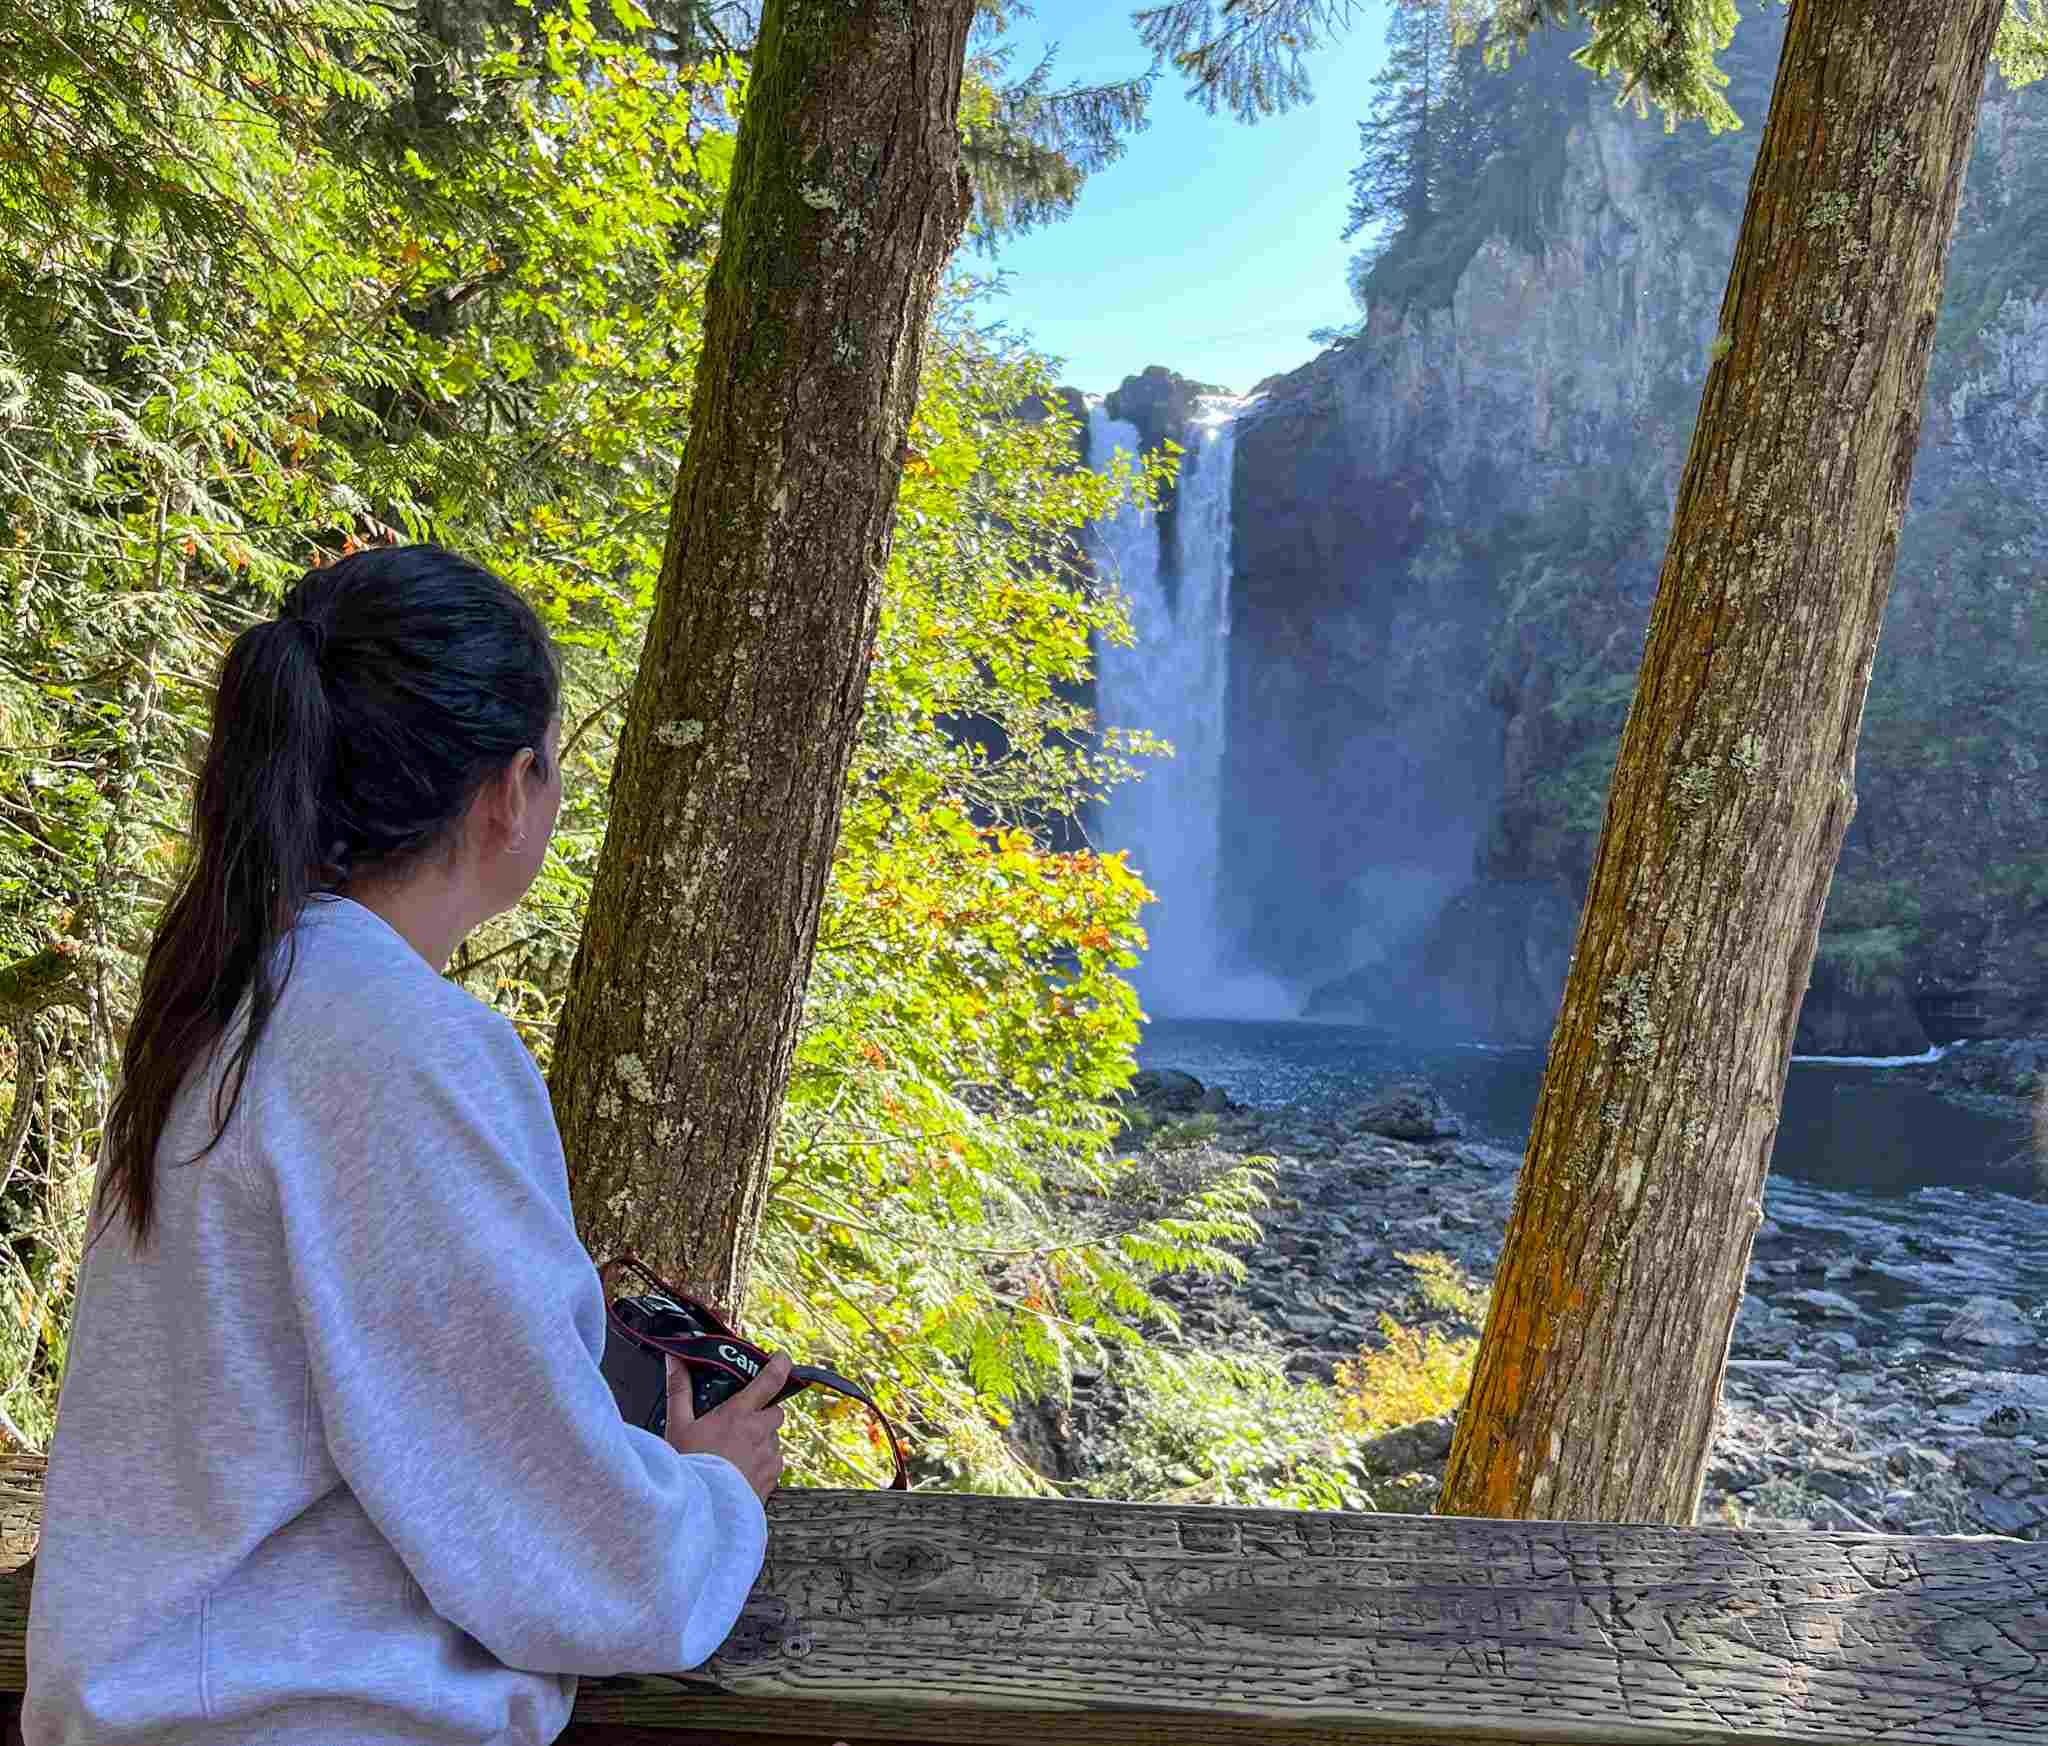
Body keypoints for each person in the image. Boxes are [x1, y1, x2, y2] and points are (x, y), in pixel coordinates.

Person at [23, 544, 788, 1746]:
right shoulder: (396, 1043)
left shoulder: (220, 1011)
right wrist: (711, 1495)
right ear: (509, 790)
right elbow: (545, 1536)